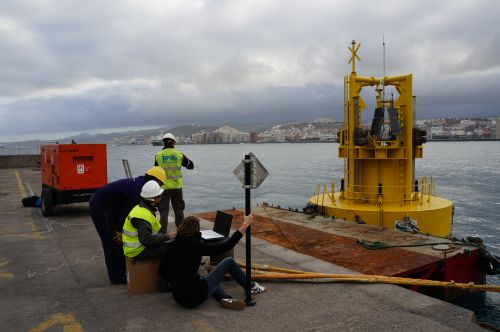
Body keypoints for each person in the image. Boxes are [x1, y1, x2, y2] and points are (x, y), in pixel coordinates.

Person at [164, 214, 266, 310]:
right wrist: (245, 224)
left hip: (179, 297)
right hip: (195, 296)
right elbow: (227, 246)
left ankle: (225, 298)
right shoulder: (196, 246)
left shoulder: (172, 246)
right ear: (196, 231)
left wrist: (178, 283)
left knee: (210, 279)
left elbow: (161, 272)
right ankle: (250, 287)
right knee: (229, 261)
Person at [89, 166, 167, 284]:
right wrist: (120, 231)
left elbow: (124, 211)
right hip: (101, 205)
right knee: (112, 240)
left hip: (112, 207)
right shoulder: (139, 190)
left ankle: (123, 269)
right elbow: (126, 213)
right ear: (156, 180)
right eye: (160, 184)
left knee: (119, 239)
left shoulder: (142, 184)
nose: (159, 188)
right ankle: (116, 277)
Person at [122, 180, 173, 260]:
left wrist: (167, 237)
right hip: (137, 251)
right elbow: (146, 240)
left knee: (170, 242)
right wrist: (167, 237)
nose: (161, 198)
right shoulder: (142, 216)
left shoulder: (141, 209)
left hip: (136, 248)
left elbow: (155, 231)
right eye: (159, 196)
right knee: (172, 247)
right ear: (155, 199)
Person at [154, 133, 194, 231]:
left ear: (163, 142)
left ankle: (162, 235)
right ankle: (182, 234)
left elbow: (155, 171)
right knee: (179, 211)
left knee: (163, 212)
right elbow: (191, 166)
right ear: (174, 142)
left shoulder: (158, 155)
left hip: (163, 188)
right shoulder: (179, 154)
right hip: (177, 187)